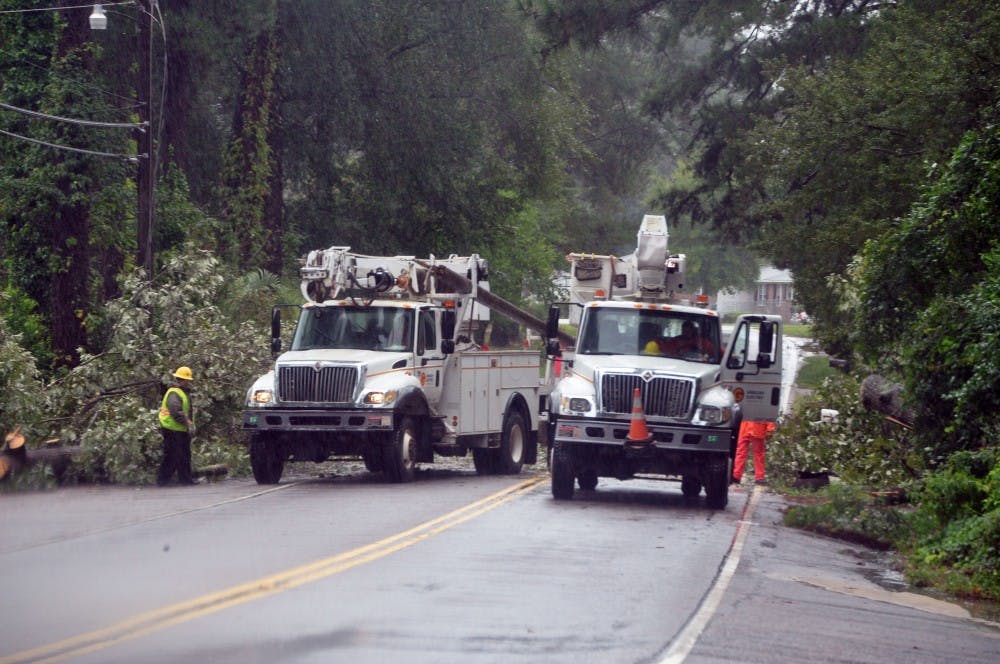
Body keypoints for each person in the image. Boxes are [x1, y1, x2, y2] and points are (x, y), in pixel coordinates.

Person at [157, 366, 196, 486]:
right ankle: (163, 481)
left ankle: (185, 480)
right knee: (172, 455)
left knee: (184, 455)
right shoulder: (174, 393)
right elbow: (175, 411)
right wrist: (187, 422)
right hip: (171, 428)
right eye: (187, 380)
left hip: (179, 429)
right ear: (182, 380)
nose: (188, 382)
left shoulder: (181, 392)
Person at [732, 419, 775, 485]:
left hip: (756, 428)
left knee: (757, 454)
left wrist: (770, 428)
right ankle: (736, 476)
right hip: (747, 428)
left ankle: (759, 477)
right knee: (741, 453)